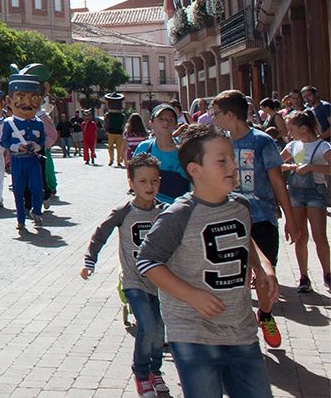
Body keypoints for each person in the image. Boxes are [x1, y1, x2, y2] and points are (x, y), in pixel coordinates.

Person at [136, 124, 278, 398]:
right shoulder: (179, 214)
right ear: (195, 170)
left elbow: (244, 238)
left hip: (241, 330)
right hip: (193, 333)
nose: (232, 166)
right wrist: (192, 296)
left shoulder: (241, 205)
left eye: (232, 159)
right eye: (222, 160)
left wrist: (264, 268)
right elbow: (148, 261)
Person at [209, 89, 296, 349]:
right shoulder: (218, 143)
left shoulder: (262, 142)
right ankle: (241, 325)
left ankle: (265, 315)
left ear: (231, 115)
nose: (213, 119)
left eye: (217, 114)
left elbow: (277, 181)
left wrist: (290, 218)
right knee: (237, 276)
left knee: (264, 274)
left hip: (262, 218)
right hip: (230, 220)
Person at [81, 153, 169, 398]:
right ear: (131, 183)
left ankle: (155, 371)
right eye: (142, 181)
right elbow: (100, 234)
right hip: (134, 281)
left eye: (154, 181)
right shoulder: (123, 212)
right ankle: (141, 374)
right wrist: (90, 261)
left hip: (161, 283)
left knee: (159, 330)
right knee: (147, 325)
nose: (149, 186)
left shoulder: (166, 211)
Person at [280, 110, 330, 293]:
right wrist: (290, 166)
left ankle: (327, 274)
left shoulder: (322, 145)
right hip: (295, 192)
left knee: (320, 236)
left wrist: (311, 167)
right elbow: (277, 164)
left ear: (303, 128)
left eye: (291, 128)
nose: (289, 132)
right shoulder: (293, 145)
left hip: (316, 192)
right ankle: (303, 276)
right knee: (300, 236)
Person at [1, 64, 48, 232]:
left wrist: (37, 145)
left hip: (33, 160)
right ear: (9, 101)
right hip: (18, 161)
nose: (27, 103)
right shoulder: (9, 123)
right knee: (18, 191)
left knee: (37, 189)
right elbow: (3, 142)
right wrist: (16, 147)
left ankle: (36, 212)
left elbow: (43, 140)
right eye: (20, 97)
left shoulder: (38, 123)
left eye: (33, 97)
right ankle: (20, 219)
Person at [133, 104, 190, 204]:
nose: (166, 122)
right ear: (151, 123)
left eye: (170, 119)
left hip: (179, 209)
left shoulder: (185, 150)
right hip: (149, 208)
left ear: (176, 125)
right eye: (161, 119)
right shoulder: (144, 148)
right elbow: (133, 176)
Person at [103, 93, 127, 167]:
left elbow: (105, 123)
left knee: (111, 147)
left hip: (112, 132)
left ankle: (112, 160)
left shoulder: (108, 115)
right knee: (118, 147)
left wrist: (106, 130)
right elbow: (124, 124)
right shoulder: (122, 116)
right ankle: (117, 161)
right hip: (118, 133)